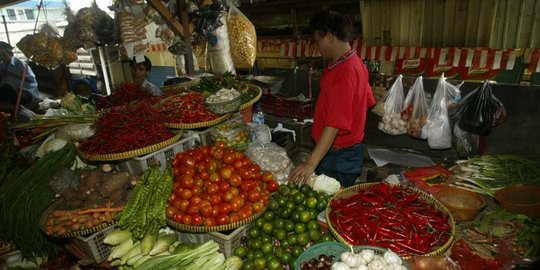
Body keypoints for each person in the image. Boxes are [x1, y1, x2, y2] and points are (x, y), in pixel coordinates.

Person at [288, 10, 375, 188]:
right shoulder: (353, 62)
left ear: (328, 36)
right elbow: (367, 101)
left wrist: (310, 164)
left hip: (339, 156)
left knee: (331, 202)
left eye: (318, 40)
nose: (317, 46)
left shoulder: (345, 72)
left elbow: (334, 125)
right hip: (341, 151)